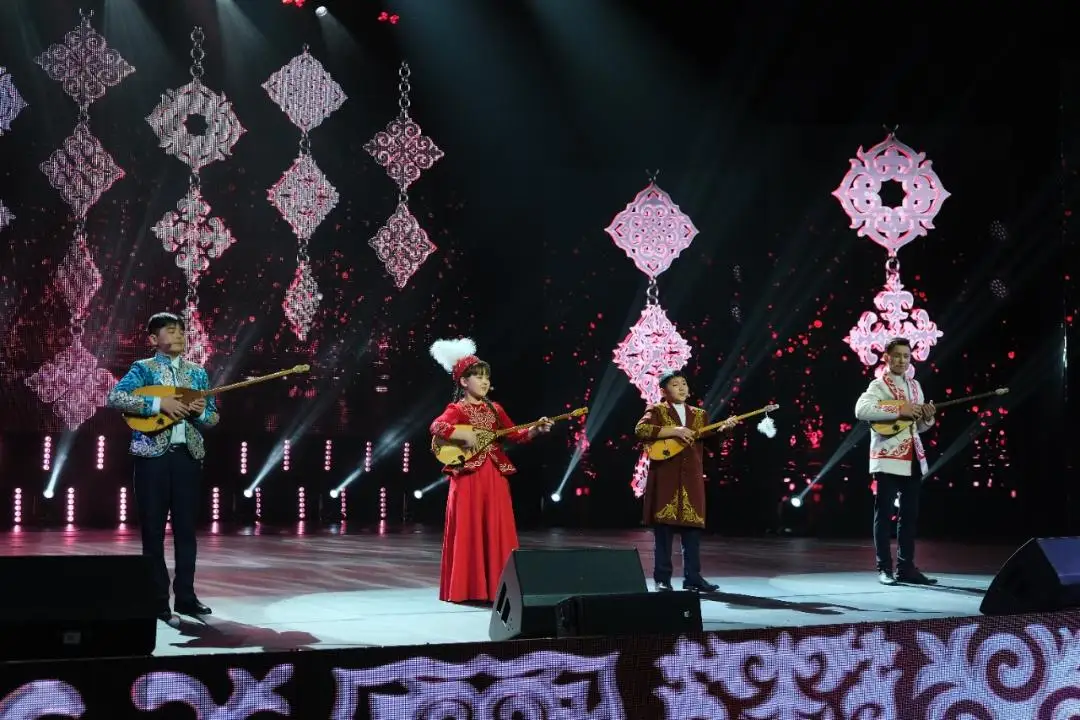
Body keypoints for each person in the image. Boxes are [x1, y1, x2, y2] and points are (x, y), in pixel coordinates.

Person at [107, 312, 218, 623]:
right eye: (171, 330)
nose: (180, 335)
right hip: (152, 458)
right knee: (153, 531)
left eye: (182, 330)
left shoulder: (197, 373)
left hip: (187, 458)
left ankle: (186, 597)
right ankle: (157, 601)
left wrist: (200, 412)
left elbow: (213, 417)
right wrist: (159, 404)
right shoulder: (143, 369)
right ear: (154, 339)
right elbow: (116, 397)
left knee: (186, 531)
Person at [428, 338, 553, 604]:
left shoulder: (496, 409)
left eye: (487, 377)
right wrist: (461, 435)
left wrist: (535, 430)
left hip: (494, 475)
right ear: (464, 381)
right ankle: (468, 589)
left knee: (497, 527)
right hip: (469, 477)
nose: (485, 382)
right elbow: (437, 426)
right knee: (469, 529)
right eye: (478, 377)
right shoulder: (457, 409)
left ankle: (498, 588)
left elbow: (516, 435)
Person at [635, 370, 737, 593]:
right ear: (664, 391)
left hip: (691, 480)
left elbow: (712, 446)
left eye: (684, 383)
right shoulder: (657, 410)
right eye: (675, 384)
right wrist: (675, 430)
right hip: (666, 478)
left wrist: (724, 432)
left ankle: (693, 578)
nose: (681, 388)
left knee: (692, 533)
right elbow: (641, 429)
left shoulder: (700, 415)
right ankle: (662, 579)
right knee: (664, 532)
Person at [854, 336, 937, 586]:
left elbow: (917, 426)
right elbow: (861, 410)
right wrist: (900, 409)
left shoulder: (916, 386)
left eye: (906, 356)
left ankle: (905, 568)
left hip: (912, 457)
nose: (902, 360)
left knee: (909, 516)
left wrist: (927, 417)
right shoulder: (878, 385)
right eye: (897, 355)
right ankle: (884, 568)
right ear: (886, 358)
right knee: (884, 514)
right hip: (887, 457)